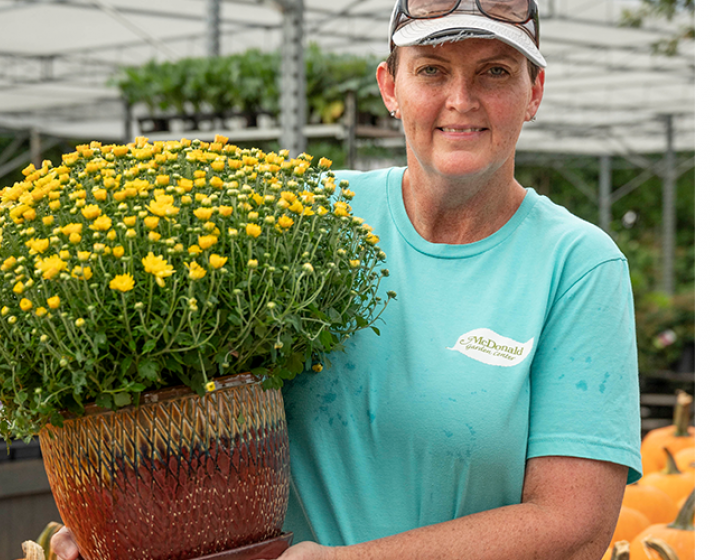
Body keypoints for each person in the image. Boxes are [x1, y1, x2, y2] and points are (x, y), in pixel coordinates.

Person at [52, 1, 642, 558]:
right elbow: (161, 380)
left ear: (534, 92)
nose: (462, 100)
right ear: (390, 87)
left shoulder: (576, 265)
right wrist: (114, 527)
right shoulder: (310, 216)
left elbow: (574, 530)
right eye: (432, 71)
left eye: (495, 72)